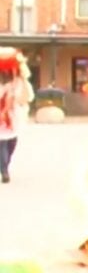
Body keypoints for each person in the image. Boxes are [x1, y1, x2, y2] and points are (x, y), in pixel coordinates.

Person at [0, 49, 33, 183]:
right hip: (2, 116)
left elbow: (26, 98)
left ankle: (5, 166)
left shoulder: (19, 82)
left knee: (11, 143)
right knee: (1, 143)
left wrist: (23, 78)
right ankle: (4, 170)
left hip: (14, 117)